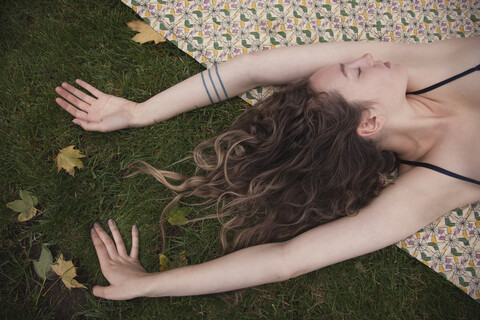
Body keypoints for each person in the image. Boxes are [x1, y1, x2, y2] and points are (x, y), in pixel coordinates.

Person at [55, 36, 480, 300]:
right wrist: (147, 284)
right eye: (357, 69)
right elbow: (287, 259)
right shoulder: (429, 186)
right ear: (370, 124)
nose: (368, 53)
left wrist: (140, 112)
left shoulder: (420, 67)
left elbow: (253, 69)